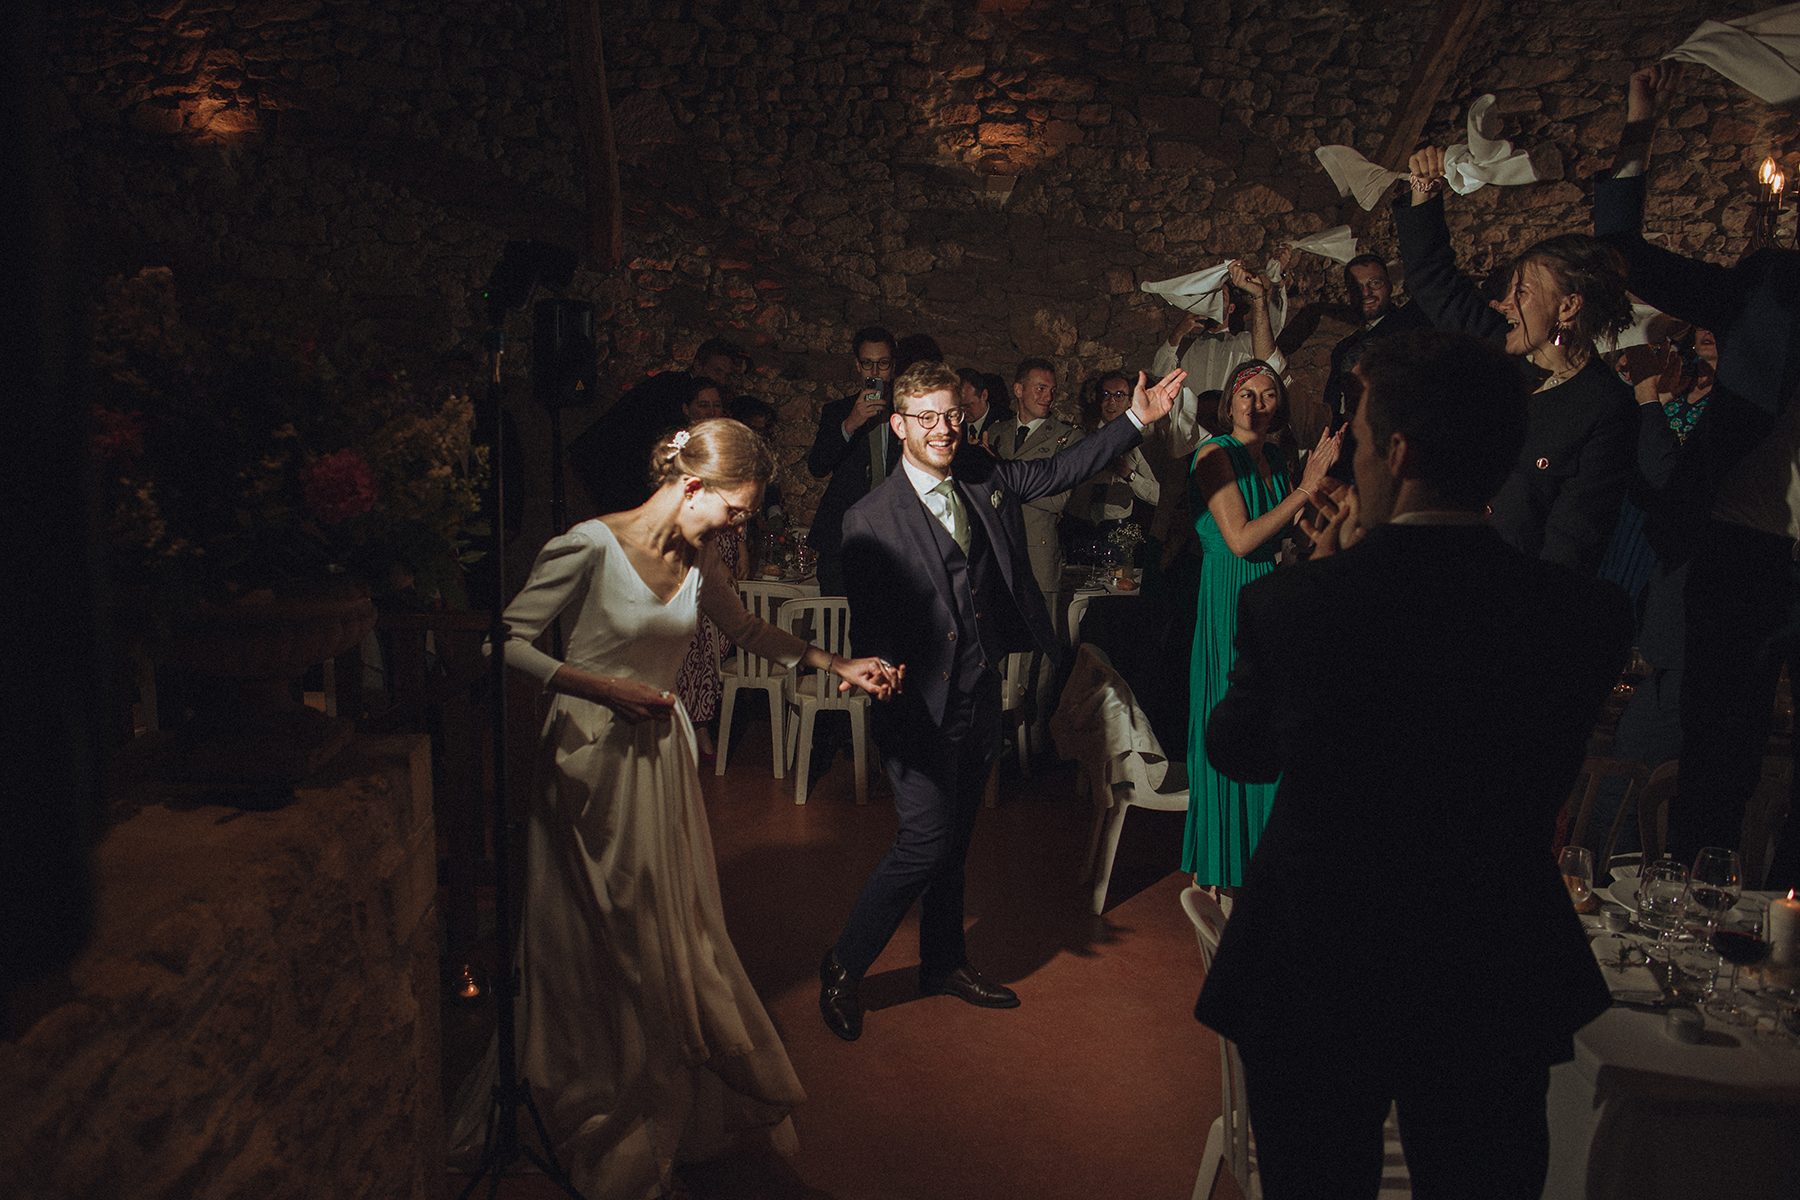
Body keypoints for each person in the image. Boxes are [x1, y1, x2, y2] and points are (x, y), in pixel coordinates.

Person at [1198, 330, 1631, 1198]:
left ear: (1396, 453)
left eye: (1355, 444)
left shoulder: (1299, 604)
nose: (1349, 462)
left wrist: (1325, 569)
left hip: (1319, 958)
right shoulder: (1583, 614)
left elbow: (1235, 751)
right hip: (1492, 960)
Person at [451, 419, 899, 1198]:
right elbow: (508, 642)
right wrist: (600, 685)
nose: (739, 526)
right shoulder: (587, 545)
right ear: (693, 487)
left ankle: (659, 1094)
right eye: (735, 511)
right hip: (587, 757)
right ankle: (593, 1093)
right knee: (604, 934)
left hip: (659, 760)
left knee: (670, 930)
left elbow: (746, 628)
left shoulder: (701, 554)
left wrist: (837, 663)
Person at [819, 360, 1183, 1041]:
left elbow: (1062, 471)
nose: (942, 428)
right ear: (898, 424)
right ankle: (842, 966)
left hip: (976, 694)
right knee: (922, 843)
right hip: (914, 707)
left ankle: (943, 963)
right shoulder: (870, 518)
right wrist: (878, 669)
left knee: (955, 842)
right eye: (925, 417)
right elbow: (872, 620)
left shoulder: (985, 474)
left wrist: (1136, 420)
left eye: (951, 414)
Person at [1596, 62, 1800, 886]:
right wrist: (1639, 126)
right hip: (1744, 553)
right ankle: (1700, 922)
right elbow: (1620, 252)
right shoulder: (1776, 286)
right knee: (1719, 764)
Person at [1394, 150, 1638, 578]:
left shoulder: (1604, 406)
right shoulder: (1503, 352)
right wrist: (1425, 192)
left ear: (1567, 307)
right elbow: (1433, 279)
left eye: (1521, 293)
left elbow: (1573, 542)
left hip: (1512, 602)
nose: (1502, 303)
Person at [1183, 361, 1341, 887]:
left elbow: (1287, 533)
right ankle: (1227, 864)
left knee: (1269, 723)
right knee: (1239, 717)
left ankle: (1262, 861)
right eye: (1245, 394)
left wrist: (1325, 505)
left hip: (1268, 600)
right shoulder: (1213, 454)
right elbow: (1243, 539)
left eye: (1268, 395)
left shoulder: (1275, 456)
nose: (1255, 404)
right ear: (1229, 404)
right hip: (1229, 600)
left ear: (1280, 407)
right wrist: (1306, 489)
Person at [670, 378, 742, 762]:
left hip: (726, 547)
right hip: (697, 551)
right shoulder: (683, 451)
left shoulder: (726, 446)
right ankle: (695, 730)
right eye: (703, 405)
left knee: (717, 644)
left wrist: (742, 544)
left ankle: (702, 725)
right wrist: (712, 557)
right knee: (693, 646)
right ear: (687, 409)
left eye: (716, 405)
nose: (711, 411)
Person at [805, 326, 898, 596]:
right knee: (835, 626)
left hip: (894, 540)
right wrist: (851, 423)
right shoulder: (837, 412)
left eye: (882, 364)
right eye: (868, 364)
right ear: (857, 366)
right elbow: (818, 467)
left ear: (893, 366)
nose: (875, 373)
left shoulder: (909, 413)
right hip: (842, 540)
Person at [1321, 253, 1431, 432]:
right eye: (1357, 287)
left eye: (1375, 283)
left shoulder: (1414, 329)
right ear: (1349, 296)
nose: (1366, 293)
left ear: (1389, 286)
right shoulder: (1343, 350)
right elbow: (1333, 411)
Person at [1063, 372, 1161, 562]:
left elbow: (1156, 495)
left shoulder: (1139, 442)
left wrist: (1128, 474)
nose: (1111, 402)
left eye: (1118, 395)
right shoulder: (1081, 437)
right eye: (1106, 395)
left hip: (1116, 530)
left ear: (1130, 401)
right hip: (1078, 526)